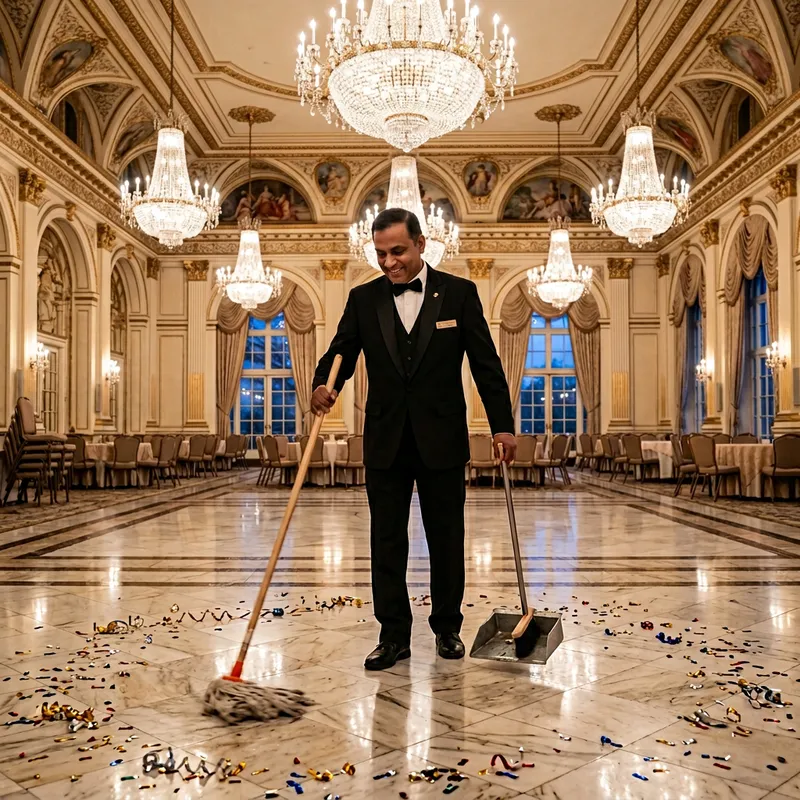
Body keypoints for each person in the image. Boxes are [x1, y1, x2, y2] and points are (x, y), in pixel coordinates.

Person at [311, 208, 516, 671]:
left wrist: (502, 425)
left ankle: (447, 628)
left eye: (397, 251)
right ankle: (393, 636)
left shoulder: (459, 294)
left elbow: (486, 364)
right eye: (381, 253)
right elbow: (340, 352)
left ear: (421, 244)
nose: (389, 262)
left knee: (446, 539)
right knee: (386, 542)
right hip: (385, 440)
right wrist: (324, 384)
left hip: (442, 438)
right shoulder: (363, 299)